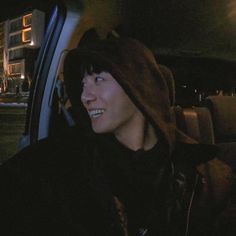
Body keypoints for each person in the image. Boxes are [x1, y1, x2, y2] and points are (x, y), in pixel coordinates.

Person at [0, 37, 234, 236]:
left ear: (138, 85)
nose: (85, 96)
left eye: (98, 79)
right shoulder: (63, 161)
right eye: (83, 84)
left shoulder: (210, 178)